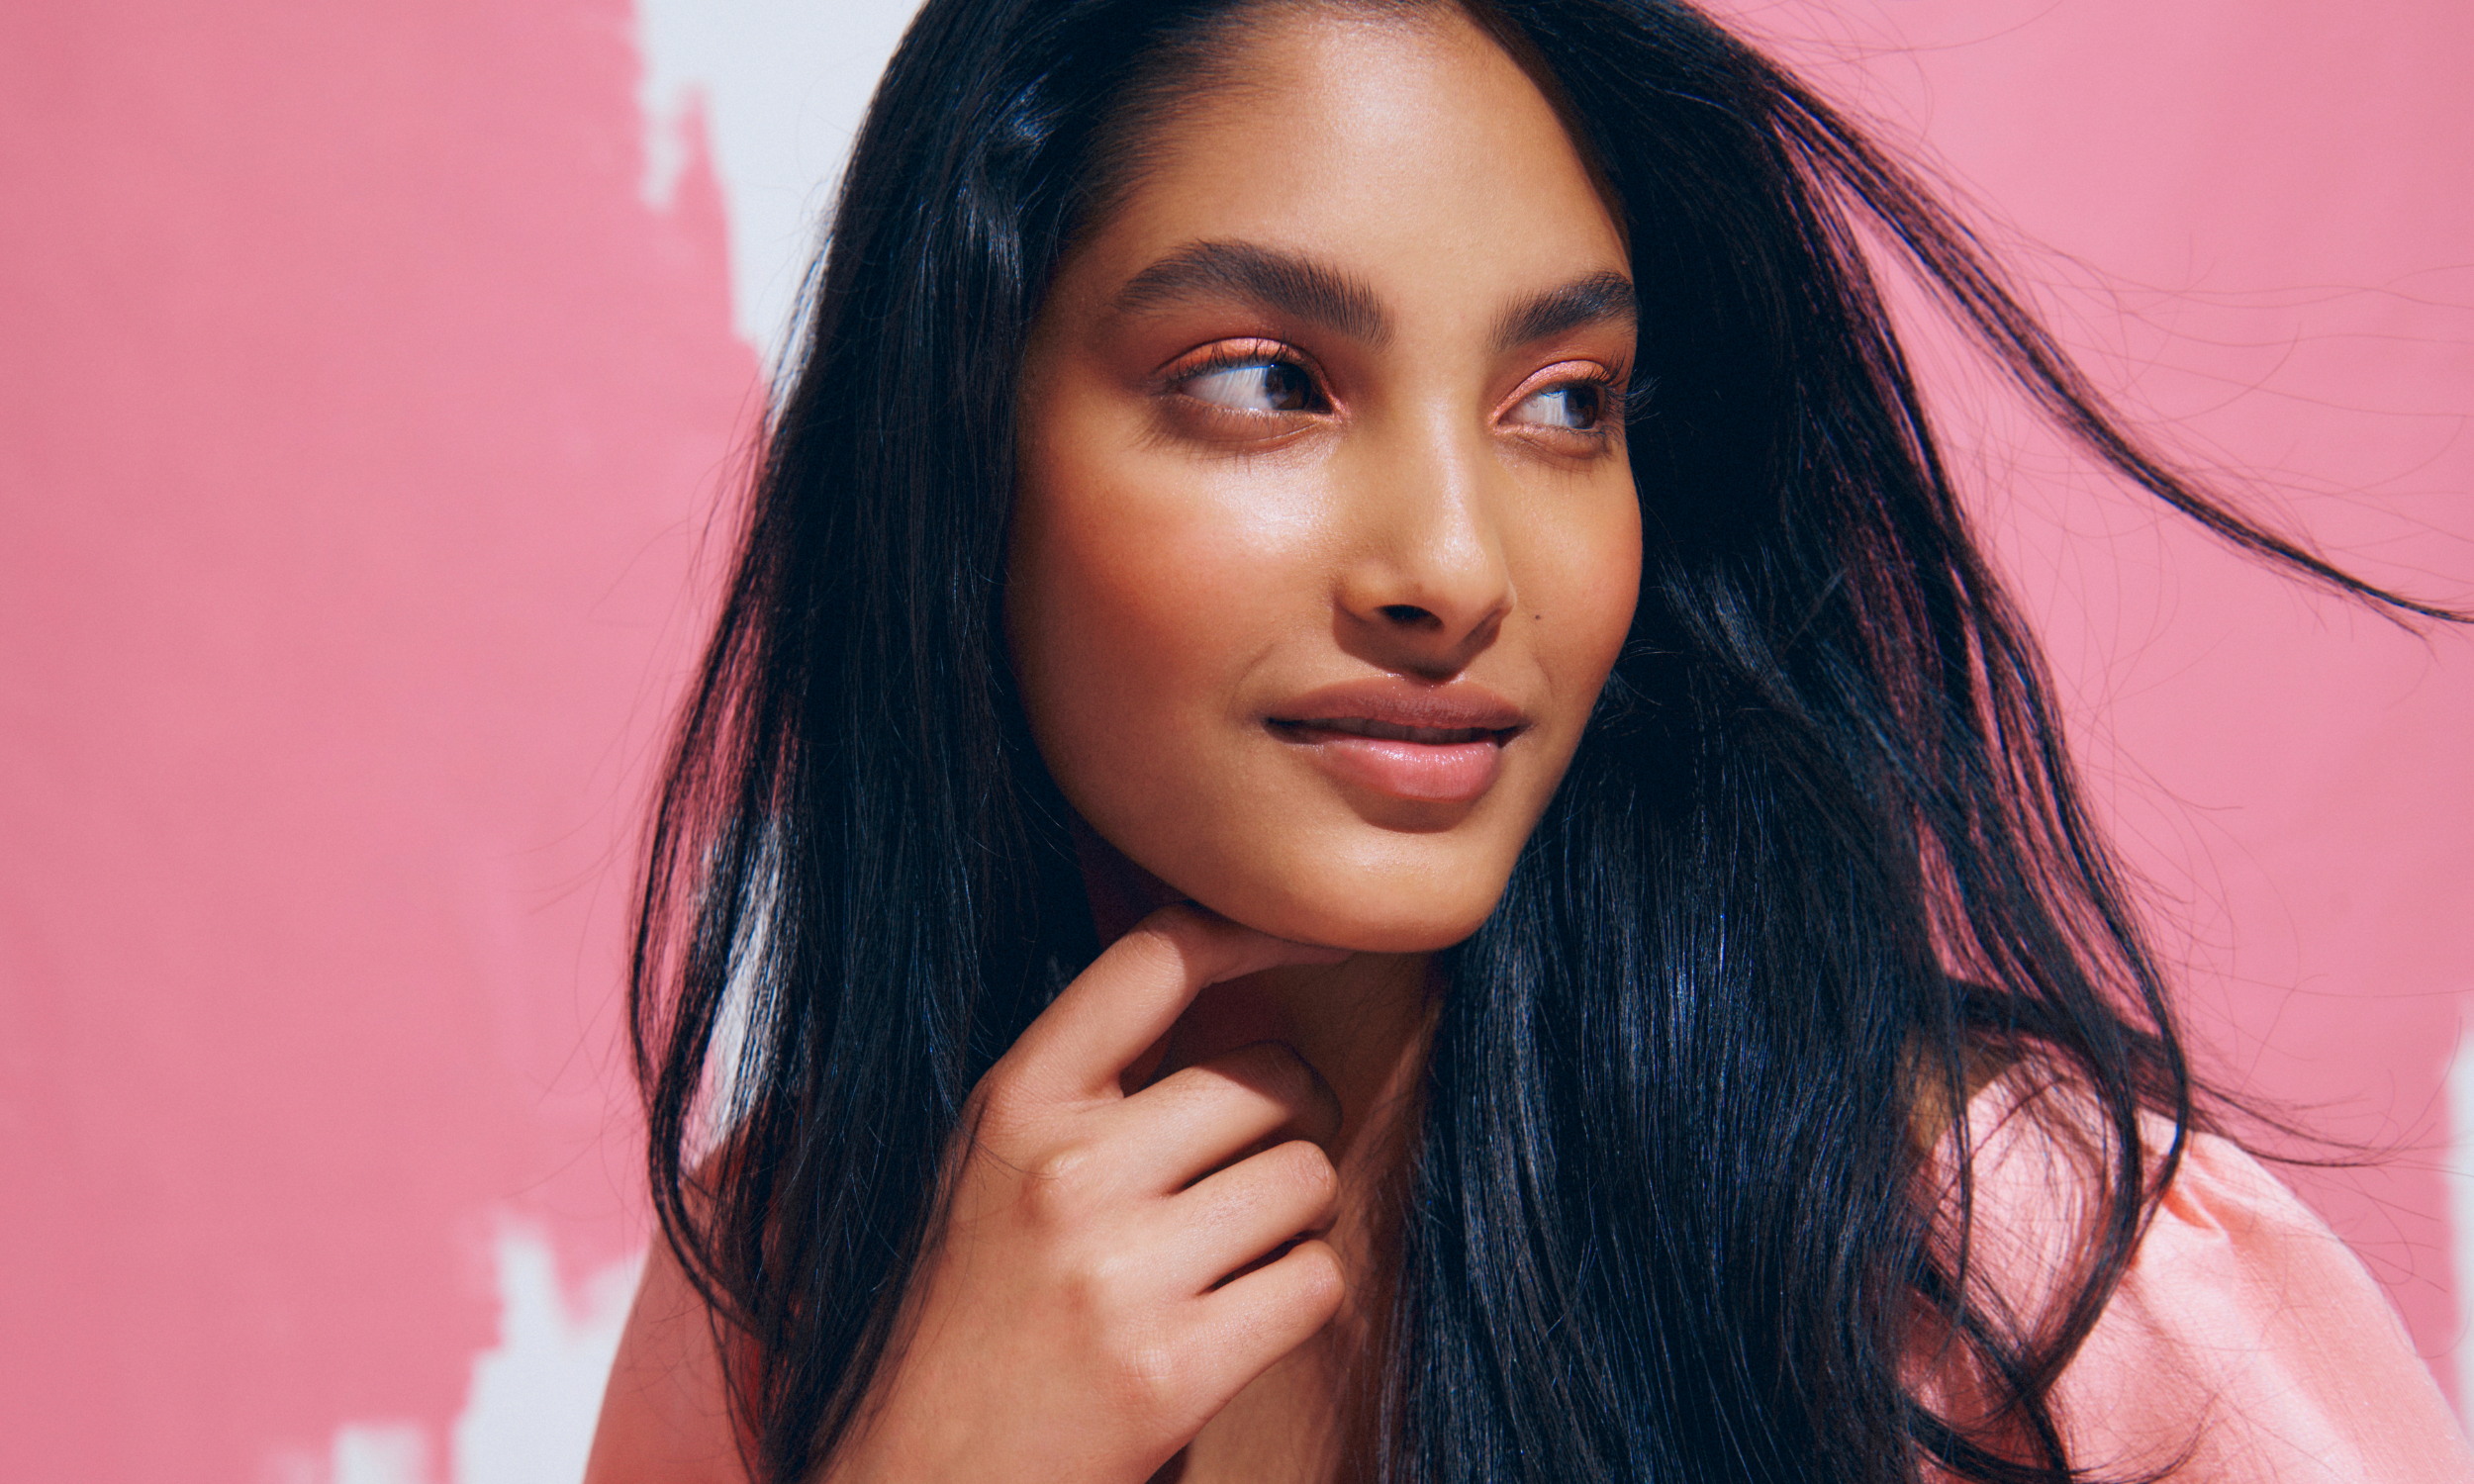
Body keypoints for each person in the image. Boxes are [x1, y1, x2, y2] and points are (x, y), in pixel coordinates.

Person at [585, 2, 2474, 1480]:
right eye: (1270, 383)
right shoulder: (802, 1262)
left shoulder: (2016, 1285)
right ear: (959, 452)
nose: (1455, 567)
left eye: (1564, 402)